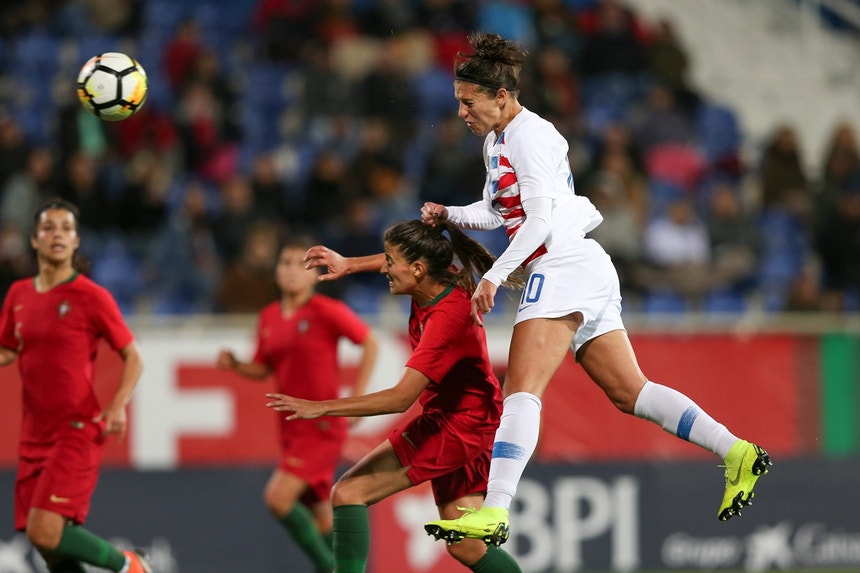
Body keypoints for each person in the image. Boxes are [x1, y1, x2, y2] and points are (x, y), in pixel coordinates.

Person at [309, 33, 772, 547]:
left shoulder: (530, 136)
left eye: (469, 101)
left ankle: (496, 509)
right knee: (629, 391)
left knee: (521, 391)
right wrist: (450, 213)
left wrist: (490, 276)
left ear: (501, 97)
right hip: (582, 264)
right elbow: (499, 212)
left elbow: (538, 220)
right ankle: (736, 452)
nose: (461, 111)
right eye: (458, 101)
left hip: (559, 261)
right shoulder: (498, 141)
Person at [270, 220, 523, 572]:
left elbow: (400, 398)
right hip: (473, 418)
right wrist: (350, 264)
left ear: (417, 270)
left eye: (390, 261)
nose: (385, 268)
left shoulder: (445, 319)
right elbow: (404, 260)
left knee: (348, 492)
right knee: (467, 547)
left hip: (459, 426)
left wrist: (322, 407)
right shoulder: (435, 277)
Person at [0, 198, 152, 573]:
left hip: (77, 430)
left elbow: (134, 357)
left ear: (77, 240)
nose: (57, 235)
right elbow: (7, 349)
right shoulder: (19, 295)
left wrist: (117, 404)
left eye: (66, 228)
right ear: (34, 240)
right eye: (49, 228)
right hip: (34, 435)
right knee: (51, 548)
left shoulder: (91, 297)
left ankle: (130, 565)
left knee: (45, 531)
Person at [216, 235, 378, 573]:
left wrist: (356, 400)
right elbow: (263, 368)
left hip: (321, 425)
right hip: (290, 427)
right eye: (285, 263)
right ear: (276, 272)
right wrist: (236, 364)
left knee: (277, 498)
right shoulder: (269, 317)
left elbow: (370, 342)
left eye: (300, 264)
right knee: (321, 517)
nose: (291, 270)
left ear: (314, 274)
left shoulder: (326, 311)